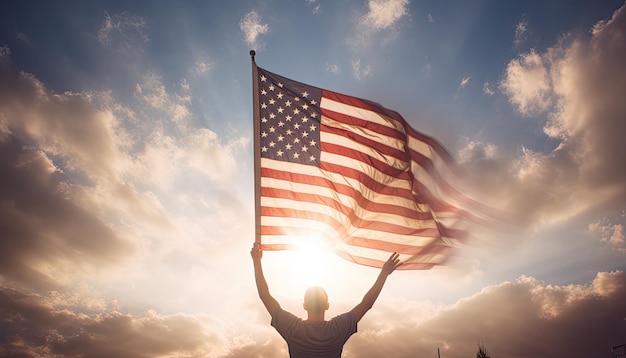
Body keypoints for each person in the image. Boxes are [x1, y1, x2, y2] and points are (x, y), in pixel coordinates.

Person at [251, 243, 402, 357]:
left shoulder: (293, 328)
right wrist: (384, 273)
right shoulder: (337, 329)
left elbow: (264, 295)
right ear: (327, 305)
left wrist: (257, 261)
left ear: (304, 306)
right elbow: (367, 303)